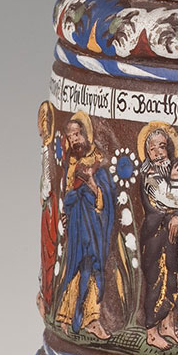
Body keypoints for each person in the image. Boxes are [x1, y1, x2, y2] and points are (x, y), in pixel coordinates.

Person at [55, 113, 115, 339]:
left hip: (94, 226)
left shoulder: (97, 163)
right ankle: (66, 316)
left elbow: (105, 197)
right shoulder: (70, 164)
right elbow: (66, 193)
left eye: (77, 134)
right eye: (70, 137)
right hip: (76, 225)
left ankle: (92, 319)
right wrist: (65, 213)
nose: (75, 140)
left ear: (86, 135)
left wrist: (91, 184)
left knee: (93, 267)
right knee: (74, 266)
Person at [139, 126, 178, 350]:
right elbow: (170, 202)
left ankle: (168, 325)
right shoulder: (151, 177)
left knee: (174, 278)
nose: (158, 153)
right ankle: (151, 332)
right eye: (152, 149)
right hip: (156, 237)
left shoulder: (168, 172)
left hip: (172, 237)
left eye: (162, 147)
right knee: (158, 280)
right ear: (147, 153)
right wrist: (175, 180)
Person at [37, 102, 58, 319]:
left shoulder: (53, 150)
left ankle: (48, 299)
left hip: (53, 208)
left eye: (46, 124)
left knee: (51, 250)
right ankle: (47, 299)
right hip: (49, 208)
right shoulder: (47, 149)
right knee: (48, 251)